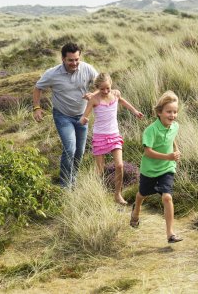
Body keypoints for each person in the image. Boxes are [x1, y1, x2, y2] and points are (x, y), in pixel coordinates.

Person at [33, 42, 98, 188]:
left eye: (77, 59)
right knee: (70, 148)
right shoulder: (52, 73)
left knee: (80, 152)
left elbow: (103, 85)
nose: (74, 63)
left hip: (82, 116)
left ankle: (72, 180)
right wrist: (37, 107)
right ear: (63, 59)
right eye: (70, 60)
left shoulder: (88, 69)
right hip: (62, 116)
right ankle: (64, 185)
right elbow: (38, 88)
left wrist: (94, 93)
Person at [80, 73, 144, 205]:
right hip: (99, 136)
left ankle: (117, 194)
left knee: (120, 165)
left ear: (111, 85)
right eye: (102, 89)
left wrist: (135, 111)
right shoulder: (94, 99)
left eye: (108, 88)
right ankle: (98, 193)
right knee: (100, 170)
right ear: (97, 87)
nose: (105, 91)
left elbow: (123, 101)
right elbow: (84, 116)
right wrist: (84, 120)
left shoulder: (115, 94)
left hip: (114, 134)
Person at [130, 90, 183, 244]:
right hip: (150, 169)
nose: (172, 115)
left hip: (167, 168)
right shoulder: (150, 130)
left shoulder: (175, 126)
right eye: (168, 112)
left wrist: (176, 150)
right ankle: (136, 208)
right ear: (159, 112)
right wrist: (168, 156)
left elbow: (172, 138)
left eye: (175, 112)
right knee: (143, 194)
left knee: (167, 197)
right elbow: (148, 151)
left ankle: (170, 234)